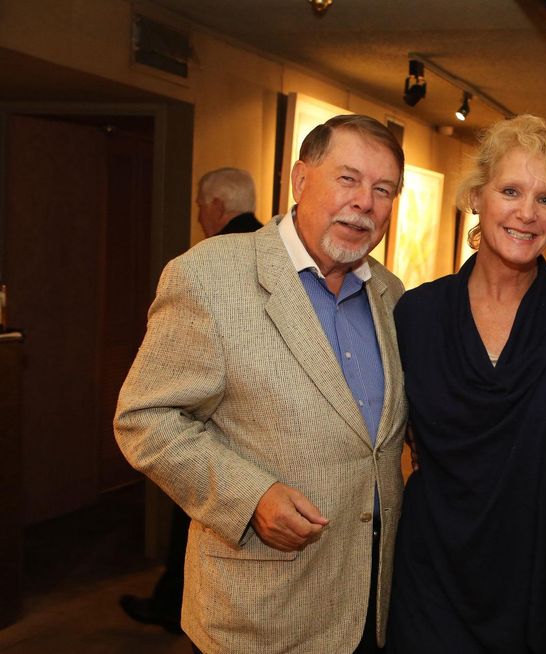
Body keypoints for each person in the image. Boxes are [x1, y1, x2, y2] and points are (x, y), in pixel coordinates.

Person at [115, 114, 408, 653]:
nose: (365, 201)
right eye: (348, 178)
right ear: (300, 180)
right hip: (262, 612)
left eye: (383, 189)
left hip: (370, 607)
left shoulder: (391, 295)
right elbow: (146, 419)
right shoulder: (208, 275)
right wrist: (249, 498)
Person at [386, 115, 546, 653]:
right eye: (511, 190)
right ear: (477, 196)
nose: (527, 213)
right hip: (433, 577)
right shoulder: (415, 314)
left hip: (545, 583)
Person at [119, 167, 262, 635]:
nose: (200, 215)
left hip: (224, 440)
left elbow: (148, 414)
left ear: (217, 206)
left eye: (201, 206)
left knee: (197, 519)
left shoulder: (207, 264)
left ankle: (171, 605)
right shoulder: (265, 256)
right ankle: (170, 603)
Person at [194, 167, 263, 237]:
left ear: (218, 208)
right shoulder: (271, 240)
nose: (198, 219)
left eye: (201, 206)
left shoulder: (219, 246)